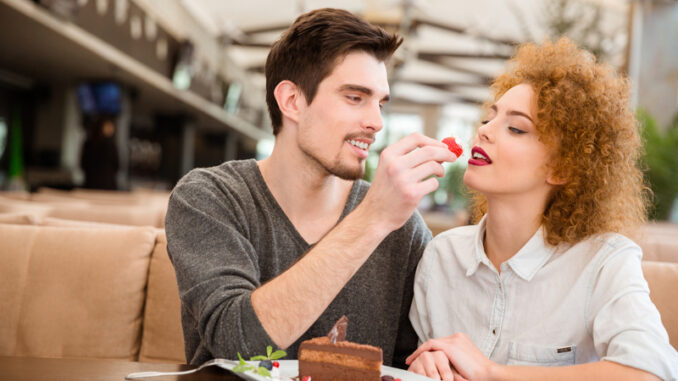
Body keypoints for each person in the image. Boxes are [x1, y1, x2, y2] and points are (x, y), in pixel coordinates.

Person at [165, 8, 457, 366]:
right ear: (292, 101)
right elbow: (238, 344)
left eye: (380, 103)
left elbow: (414, 359)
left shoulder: (404, 229)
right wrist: (372, 219)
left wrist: (430, 361)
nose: (376, 122)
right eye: (355, 97)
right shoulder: (209, 198)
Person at [406, 38, 678, 381]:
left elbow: (652, 372)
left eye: (516, 128)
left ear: (563, 168)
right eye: (490, 117)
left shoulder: (603, 261)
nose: (484, 131)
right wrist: (424, 367)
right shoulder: (441, 257)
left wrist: (492, 373)